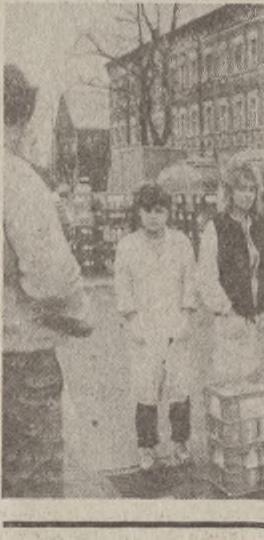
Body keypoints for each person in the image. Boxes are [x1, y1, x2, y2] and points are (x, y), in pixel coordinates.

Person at [3, 64, 92, 497]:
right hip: (17, 361)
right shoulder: (17, 181)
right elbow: (52, 280)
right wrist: (80, 317)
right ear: (18, 116)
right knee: (29, 497)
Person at [114, 184, 197, 471]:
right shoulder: (127, 246)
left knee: (179, 388)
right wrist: (132, 321)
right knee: (146, 390)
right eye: (148, 211)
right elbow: (122, 288)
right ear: (139, 212)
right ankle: (146, 446)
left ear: (167, 213)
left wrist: (186, 316)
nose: (153, 217)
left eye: (159, 211)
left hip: (175, 323)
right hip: (144, 327)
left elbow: (190, 281)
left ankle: (180, 442)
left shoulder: (181, 242)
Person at [198, 161, 264, 382]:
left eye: (252, 189)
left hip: (257, 318)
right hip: (230, 320)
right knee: (231, 382)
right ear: (230, 192)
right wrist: (227, 309)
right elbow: (206, 277)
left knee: (255, 386)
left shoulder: (260, 224)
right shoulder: (216, 227)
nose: (248, 195)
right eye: (242, 189)